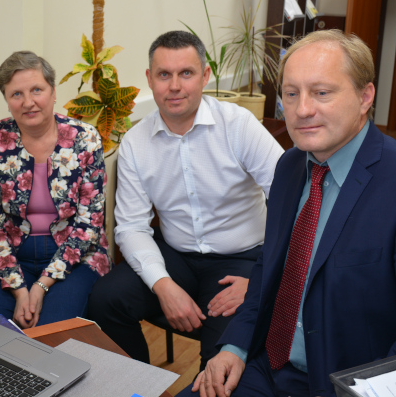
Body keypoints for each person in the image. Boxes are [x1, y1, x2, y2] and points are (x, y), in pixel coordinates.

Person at [182, 29, 396, 397]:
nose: (302, 109)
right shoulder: (291, 165)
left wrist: (363, 392)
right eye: (291, 94)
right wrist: (236, 346)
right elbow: (269, 269)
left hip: (345, 384)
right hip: (266, 365)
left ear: (365, 96)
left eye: (322, 93)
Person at [88, 30, 284, 368]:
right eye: (164, 74)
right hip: (177, 255)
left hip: (242, 259)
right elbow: (132, 227)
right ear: (150, 79)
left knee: (220, 358)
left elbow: (292, 202)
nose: (174, 86)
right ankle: (142, 390)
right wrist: (163, 285)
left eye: (186, 73)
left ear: (205, 76)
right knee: (105, 302)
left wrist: (260, 279)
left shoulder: (239, 126)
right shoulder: (136, 142)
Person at [0, 51, 111, 329]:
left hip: (75, 254)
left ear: (54, 92)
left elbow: (89, 225)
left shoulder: (85, 138)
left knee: (51, 334)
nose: (28, 102)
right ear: (7, 100)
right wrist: (19, 289)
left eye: (37, 90)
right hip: (5, 254)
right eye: (16, 94)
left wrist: (41, 286)